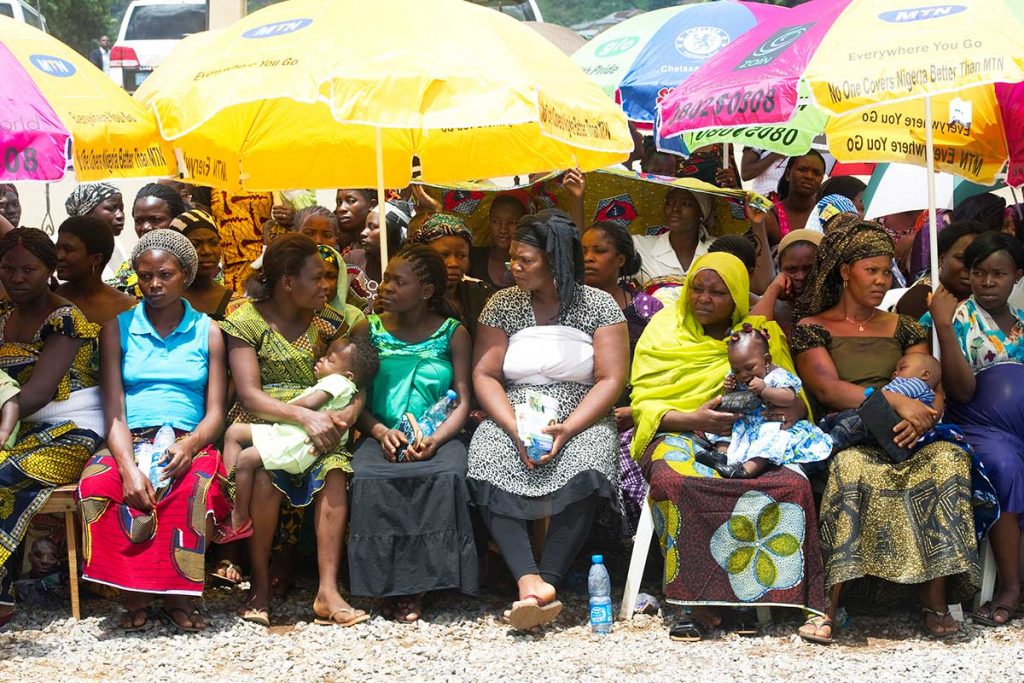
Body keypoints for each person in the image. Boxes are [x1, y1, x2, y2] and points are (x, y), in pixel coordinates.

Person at [791, 217, 980, 639]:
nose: (881, 280)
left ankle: (935, 598)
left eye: (886, 271)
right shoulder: (812, 328)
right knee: (853, 468)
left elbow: (930, 381)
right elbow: (828, 387)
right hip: (852, 431)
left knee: (948, 460)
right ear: (845, 271)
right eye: (871, 270)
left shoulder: (904, 326)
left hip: (908, 431)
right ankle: (828, 603)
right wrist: (891, 400)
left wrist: (922, 419)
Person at [630, 251, 826, 643]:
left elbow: (796, 401)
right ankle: (696, 604)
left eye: (718, 292)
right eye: (697, 289)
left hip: (749, 439)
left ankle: (754, 597)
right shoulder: (664, 330)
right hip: (680, 434)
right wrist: (694, 421)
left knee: (789, 485)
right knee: (677, 480)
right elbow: (643, 405)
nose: (704, 298)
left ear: (737, 297)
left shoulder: (757, 337)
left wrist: (784, 413)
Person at [468, 209, 628, 631]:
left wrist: (570, 427)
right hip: (513, 407)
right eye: (512, 259)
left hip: (582, 411)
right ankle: (529, 581)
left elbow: (611, 378)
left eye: (525, 260)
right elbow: (485, 374)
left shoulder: (598, 304)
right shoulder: (502, 304)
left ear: (555, 260)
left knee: (589, 461)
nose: (514, 267)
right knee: (486, 455)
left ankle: (548, 579)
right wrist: (514, 426)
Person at [78, 229, 228, 633]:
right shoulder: (117, 328)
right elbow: (114, 411)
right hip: (130, 437)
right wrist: (127, 466)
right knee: (100, 483)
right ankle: (134, 596)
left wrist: (190, 444)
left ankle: (180, 597)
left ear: (185, 276)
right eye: (145, 276)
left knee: (195, 485)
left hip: (188, 438)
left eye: (165, 275)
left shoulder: (208, 331)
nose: (154, 285)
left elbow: (215, 412)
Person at [221, 233, 365, 628]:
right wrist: (305, 418)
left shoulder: (330, 322)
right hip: (266, 420)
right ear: (287, 282)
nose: (327, 286)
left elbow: (355, 379)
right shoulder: (245, 321)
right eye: (317, 278)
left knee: (335, 472)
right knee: (266, 479)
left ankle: (327, 590)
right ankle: (261, 586)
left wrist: (348, 415)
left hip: (323, 421)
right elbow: (250, 395)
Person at [348, 244, 476, 623]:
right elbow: (353, 395)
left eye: (397, 282)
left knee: (446, 475)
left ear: (425, 291)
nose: (385, 287)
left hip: (438, 435)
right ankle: (388, 584)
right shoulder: (366, 328)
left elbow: (463, 401)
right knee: (369, 477)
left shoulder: (453, 333)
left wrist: (437, 440)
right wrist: (379, 430)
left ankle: (420, 586)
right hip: (379, 432)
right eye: (385, 278)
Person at [0, 228, 105, 627]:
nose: (17, 277)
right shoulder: (4, 316)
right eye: (8, 268)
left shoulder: (66, 320)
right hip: (19, 431)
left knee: (3, 475)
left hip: (72, 430)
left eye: (29, 269)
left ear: (49, 271)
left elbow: (38, 393)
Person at [930, 231, 1024, 627]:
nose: (987, 282)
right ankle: (1010, 586)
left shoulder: (1022, 322)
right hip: (977, 427)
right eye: (979, 273)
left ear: (1017, 276)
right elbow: (963, 391)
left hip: (1018, 430)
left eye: (998, 274)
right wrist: (944, 327)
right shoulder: (959, 318)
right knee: (1003, 467)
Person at [218, 337, 378, 545]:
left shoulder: (339, 382)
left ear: (349, 375)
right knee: (235, 433)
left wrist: (284, 408)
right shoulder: (336, 381)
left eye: (330, 360)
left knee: (247, 459)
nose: (320, 360)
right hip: (291, 433)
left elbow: (310, 403)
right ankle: (234, 493)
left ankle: (239, 517)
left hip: (301, 443)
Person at [581, 221, 660, 535]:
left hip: (638, 413)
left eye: (599, 251)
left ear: (621, 259)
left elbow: (663, 369)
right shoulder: (567, 307)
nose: (588, 258)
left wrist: (639, 411)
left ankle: (639, 551)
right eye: (583, 251)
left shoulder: (646, 309)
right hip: (583, 413)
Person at [705, 324, 832, 479]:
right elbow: (733, 400)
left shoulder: (777, 376)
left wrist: (765, 390)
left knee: (767, 441)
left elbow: (789, 398)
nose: (743, 375)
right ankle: (721, 454)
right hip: (746, 422)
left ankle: (746, 470)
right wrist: (730, 389)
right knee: (724, 423)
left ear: (766, 360)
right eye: (737, 370)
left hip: (770, 423)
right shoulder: (738, 375)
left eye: (749, 368)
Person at [822, 352, 941, 451]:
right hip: (883, 425)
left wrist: (875, 394)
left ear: (924, 375)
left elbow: (892, 396)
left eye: (902, 368)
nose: (895, 372)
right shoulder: (914, 385)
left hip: (885, 423)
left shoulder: (916, 384)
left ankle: (830, 442)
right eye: (895, 370)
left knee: (854, 424)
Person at [411, 213, 494, 339]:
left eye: (461, 256)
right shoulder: (409, 298)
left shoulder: (482, 294)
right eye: (444, 255)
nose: (453, 263)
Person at [895, 220, 986, 319]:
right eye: (961, 259)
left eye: (978, 260)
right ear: (942, 259)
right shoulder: (920, 298)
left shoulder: (988, 297)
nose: (970, 267)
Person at [53, 216, 135, 325]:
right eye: (57, 248)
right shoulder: (50, 300)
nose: (59, 256)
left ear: (96, 259)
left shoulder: (127, 308)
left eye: (68, 250)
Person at [109, 184, 189, 292]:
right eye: (139, 221)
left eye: (156, 219)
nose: (146, 227)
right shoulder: (125, 272)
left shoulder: (199, 268)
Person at [757, 229, 822, 336]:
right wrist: (774, 289)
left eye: (809, 268)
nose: (800, 276)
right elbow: (751, 332)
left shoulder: (840, 305)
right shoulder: (770, 304)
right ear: (780, 269)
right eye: (791, 269)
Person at [170, 210, 234, 320]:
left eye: (213, 243)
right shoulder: (164, 303)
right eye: (196, 244)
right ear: (176, 249)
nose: (206, 251)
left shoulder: (235, 304)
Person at [346, 201, 409, 312]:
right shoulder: (353, 260)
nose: (363, 233)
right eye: (365, 226)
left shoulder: (408, 270)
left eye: (373, 227)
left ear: (395, 233)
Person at [764, 151, 826, 245]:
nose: (809, 176)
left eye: (816, 173)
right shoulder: (770, 216)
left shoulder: (826, 216)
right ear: (788, 174)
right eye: (802, 170)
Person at [469, 195, 526, 289]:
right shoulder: (473, 258)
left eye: (512, 223)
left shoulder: (531, 264)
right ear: (489, 222)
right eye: (496, 222)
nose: (503, 230)